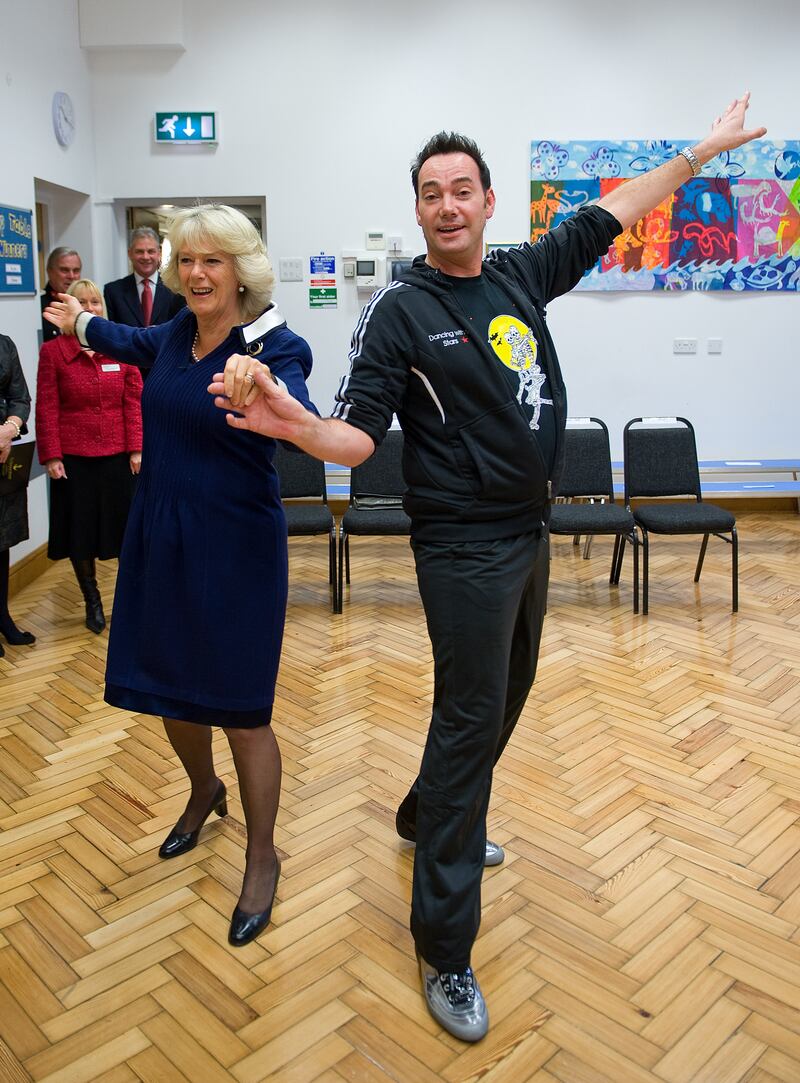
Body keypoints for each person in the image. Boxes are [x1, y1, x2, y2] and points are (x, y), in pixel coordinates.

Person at [208, 94, 766, 1039]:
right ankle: (446, 945)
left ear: (490, 201)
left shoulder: (518, 275)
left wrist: (700, 154)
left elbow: (615, 211)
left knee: (508, 689)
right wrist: (293, 424)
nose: (447, 205)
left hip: (530, 526)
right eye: (431, 194)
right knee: (472, 717)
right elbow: (355, 437)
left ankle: (428, 815)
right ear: (419, 211)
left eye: (461, 189)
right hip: (461, 542)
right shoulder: (399, 310)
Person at [44, 204, 317, 947]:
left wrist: (265, 386)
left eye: (214, 261)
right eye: (187, 260)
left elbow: (299, 406)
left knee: (241, 707)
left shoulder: (275, 344)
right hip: (160, 536)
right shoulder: (169, 335)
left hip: (236, 548)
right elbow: (119, 336)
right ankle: (203, 790)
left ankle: (263, 856)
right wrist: (76, 324)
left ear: (242, 270)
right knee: (170, 687)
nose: (197, 274)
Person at [36, 279, 143, 634]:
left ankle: (131, 601)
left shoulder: (120, 346)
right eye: (82, 302)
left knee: (127, 531)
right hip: (74, 457)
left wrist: (137, 447)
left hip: (118, 455)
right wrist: (51, 454)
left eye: (95, 302)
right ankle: (92, 600)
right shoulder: (53, 353)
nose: (90, 307)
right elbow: (47, 406)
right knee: (80, 532)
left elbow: (134, 401)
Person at [104, 227, 185, 376]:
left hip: (167, 371)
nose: (146, 257)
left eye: (151, 251)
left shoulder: (176, 290)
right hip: (127, 374)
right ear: (130, 253)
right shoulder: (113, 291)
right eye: (139, 251)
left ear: (159, 252)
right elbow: (112, 335)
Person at [0, 334, 35, 656]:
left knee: (1, 543)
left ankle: (3, 617)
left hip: (2, 458)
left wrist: (9, 428)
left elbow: (20, 398)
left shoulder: (5, 344)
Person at [41, 246, 82, 342]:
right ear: (49, 271)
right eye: (64, 270)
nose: (71, 276)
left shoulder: (86, 305)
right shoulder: (38, 306)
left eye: (76, 271)